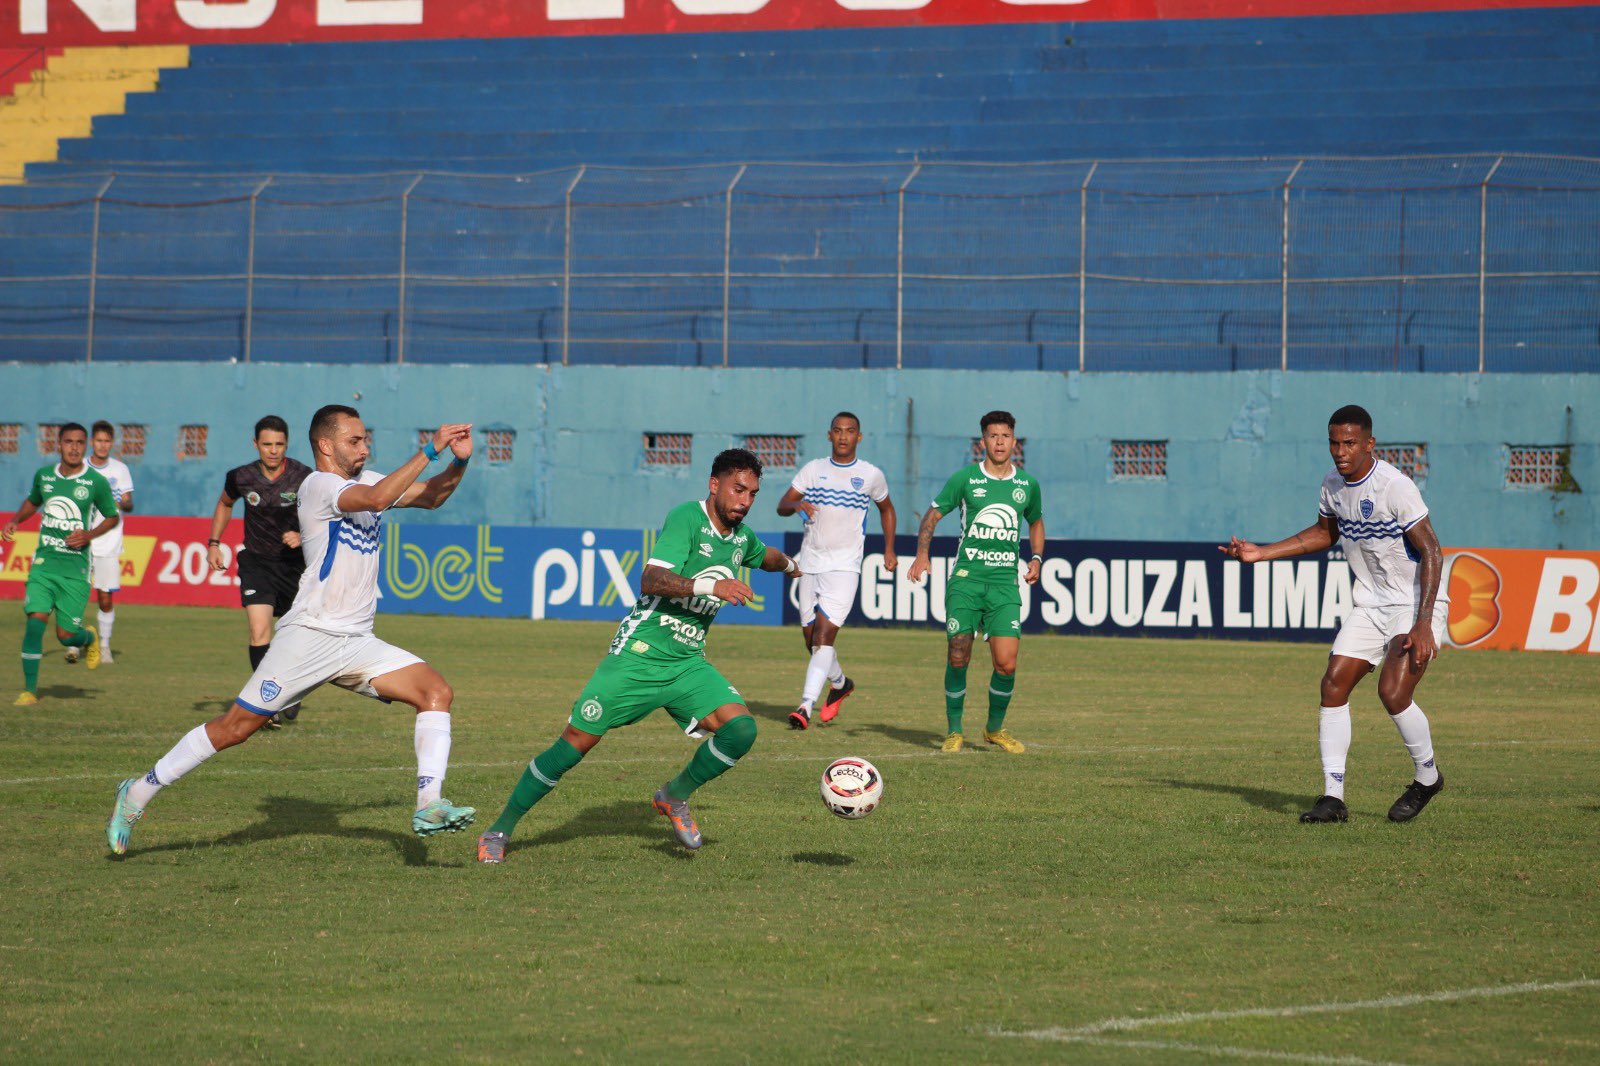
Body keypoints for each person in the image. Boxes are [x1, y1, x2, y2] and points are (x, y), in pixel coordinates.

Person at [107, 407, 477, 855]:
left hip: (356, 640)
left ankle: (429, 804)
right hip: (309, 636)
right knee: (236, 728)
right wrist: (429, 449)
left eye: (365, 440)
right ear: (326, 445)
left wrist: (458, 461)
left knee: (435, 692)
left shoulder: (370, 481)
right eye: (355, 441)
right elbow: (379, 499)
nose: (365, 447)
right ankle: (138, 792)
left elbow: (432, 497)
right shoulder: (319, 486)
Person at [477, 448, 803, 863]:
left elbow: (765, 556)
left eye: (753, 494)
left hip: (687, 663)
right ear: (714, 484)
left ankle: (674, 796)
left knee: (740, 730)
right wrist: (711, 588)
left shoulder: (741, 538)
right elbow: (650, 579)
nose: (745, 500)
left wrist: (793, 565)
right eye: (739, 489)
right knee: (575, 744)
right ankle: (498, 830)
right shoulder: (687, 517)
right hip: (638, 655)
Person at [1220, 404, 1448, 824]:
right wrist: (1262, 552)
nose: (1340, 451)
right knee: (1333, 684)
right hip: (1371, 603)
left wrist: (1423, 623)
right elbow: (1325, 533)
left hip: (1414, 605)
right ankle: (1333, 798)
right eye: (1334, 442)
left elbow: (1432, 550)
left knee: (1393, 693)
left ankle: (1427, 777)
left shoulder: (1394, 487)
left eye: (1349, 443)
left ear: (1369, 444)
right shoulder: (1332, 485)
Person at [907, 411, 1043, 754]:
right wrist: (922, 554)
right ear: (983, 441)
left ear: (1015, 441)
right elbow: (933, 514)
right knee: (958, 655)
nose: (999, 442)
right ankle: (954, 730)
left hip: (1003, 584)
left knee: (1007, 663)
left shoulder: (1027, 485)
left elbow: (1036, 522)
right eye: (992, 436)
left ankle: (994, 729)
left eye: (1005, 436)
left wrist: (1037, 557)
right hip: (966, 581)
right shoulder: (965, 479)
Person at [777, 411, 896, 729]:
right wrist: (796, 505)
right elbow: (782, 505)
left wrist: (888, 549)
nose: (844, 436)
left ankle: (804, 706)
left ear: (859, 436)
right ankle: (841, 683)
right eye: (838, 431)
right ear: (829, 435)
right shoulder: (813, 470)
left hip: (845, 567)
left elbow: (887, 509)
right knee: (810, 641)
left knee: (824, 638)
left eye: (850, 431)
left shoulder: (870, 475)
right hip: (809, 563)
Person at [207, 415, 313, 725]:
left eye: (279, 444)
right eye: (267, 444)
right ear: (256, 444)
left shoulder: (304, 477)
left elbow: (323, 514)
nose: (273, 450)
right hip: (256, 562)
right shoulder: (240, 477)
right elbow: (225, 504)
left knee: (296, 638)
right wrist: (214, 543)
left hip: (295, 565)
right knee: (259, 631)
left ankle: (292, 692)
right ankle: (267, 704)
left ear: (286, 445)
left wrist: (303, 535)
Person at [3, 423, 119, 704]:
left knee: (66, 636)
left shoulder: (95, 482)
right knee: (34, 622)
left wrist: (89, 535)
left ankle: (88, 639)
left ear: (86, 445)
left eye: (80, 442)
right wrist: (16, 520)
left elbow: (112, 516)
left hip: (75, 570)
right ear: (59, 444)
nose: (74, 447)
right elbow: (33, 501)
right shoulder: (44, 476)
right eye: (69, 442)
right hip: (44, 565)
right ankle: (30, 690)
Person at [75, 421, 134, 665]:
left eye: (107, 441)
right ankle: (75, 643)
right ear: (92, 442)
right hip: (80, 541)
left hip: (108, 542)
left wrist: (118, 499)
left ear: (112, 443)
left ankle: (105, 646)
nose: (102, 445)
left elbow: (130, 504)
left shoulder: (120, 470)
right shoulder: (79, 469)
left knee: (105, 598)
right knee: (74, 595)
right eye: (98, 440)